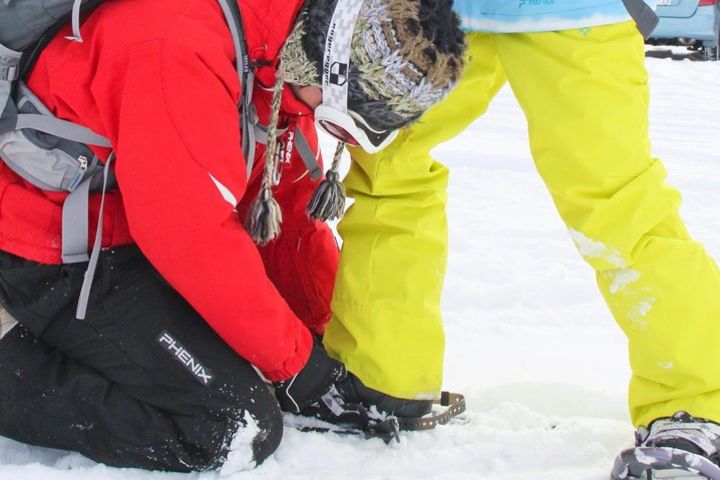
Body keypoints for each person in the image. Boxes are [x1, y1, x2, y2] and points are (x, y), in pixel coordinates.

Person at [0, 0, 464, 472]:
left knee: (250, 373)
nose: (336, 135)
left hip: (128, 237)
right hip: (52, 247)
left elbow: (283, 213)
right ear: (327, 64)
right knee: (232, 425)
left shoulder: (278, 51)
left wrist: (327, 347)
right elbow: (190, 238)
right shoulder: (176, 47)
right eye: (339, 120)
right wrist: (300, 371)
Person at [323, 0, 720, 477]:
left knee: (617, 203)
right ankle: (380, 379)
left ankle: (698, 405)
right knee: (388, 171)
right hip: (436, 12)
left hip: (574, 12)